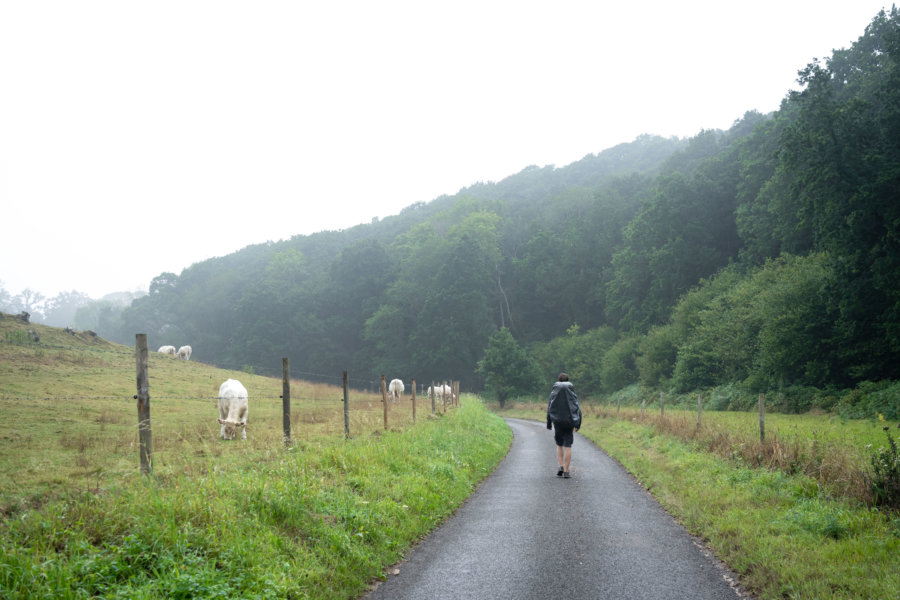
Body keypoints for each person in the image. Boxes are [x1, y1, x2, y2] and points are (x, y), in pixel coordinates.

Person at [546, 373, 582, 478]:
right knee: (568, 446)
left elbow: (549, 407)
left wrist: (549, 423)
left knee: (559, 444)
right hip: (569, 422)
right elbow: (578, 408)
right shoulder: (572, 393)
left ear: (558, 381)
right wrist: (578, 424)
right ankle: (566, 471)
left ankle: (560, 466)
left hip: (557, 422)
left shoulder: (553, 392)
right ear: (568, 381)